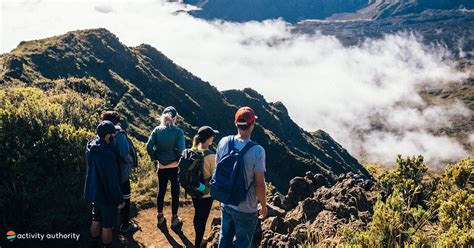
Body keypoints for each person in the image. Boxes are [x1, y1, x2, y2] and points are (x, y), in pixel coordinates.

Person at [216, 107, 267, 248]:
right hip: (246, 209)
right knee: (243, 244)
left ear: (235, 123)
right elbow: (259, 184)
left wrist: (221, 198)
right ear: (252, 125)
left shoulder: (223, 142)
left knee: (224, 238)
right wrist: (263, 205)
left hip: (226, 202)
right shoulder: (257, 151)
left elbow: (218, 173)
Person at [84, 120, 125, 248]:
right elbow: (112, 181)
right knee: (107, 225)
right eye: (113, 133)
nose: (114, 135)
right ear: (108, 135)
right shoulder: (108, 155)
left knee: (96, 218)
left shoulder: (91, 147)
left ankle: (93, 243)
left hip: (94, 192)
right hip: (106, 196)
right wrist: (119, 199)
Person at [146, 106, 186, 229]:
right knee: (174, 192)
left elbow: (148, 146)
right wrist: (178, 159)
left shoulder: (157, 130)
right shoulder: (178, 132)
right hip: (174, 167)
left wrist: (155, 157)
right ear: (175, 118)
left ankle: (160, 216)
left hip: (161, 167)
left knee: (161, 191)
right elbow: (181, 151)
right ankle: (174, 218)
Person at [101, 111, 139, 233]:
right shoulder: (120, 134)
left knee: (110, 197)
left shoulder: (101, 133)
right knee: (125, 198)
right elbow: (124, 153)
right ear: (117, 122)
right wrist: (130, 161)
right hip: (121, 173)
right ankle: (124, 225)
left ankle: (109, 225)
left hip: (106, 173)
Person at [190, 126, 219, 248]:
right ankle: (198, 244)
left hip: (194, 190)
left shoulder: (193, 151)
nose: (213, 137)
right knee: (203, 219)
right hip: (206, 193)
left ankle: (199, 238)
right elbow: (215, 175)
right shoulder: (211, 156)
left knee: (198, 214)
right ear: (208, 139)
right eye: (212, 136)